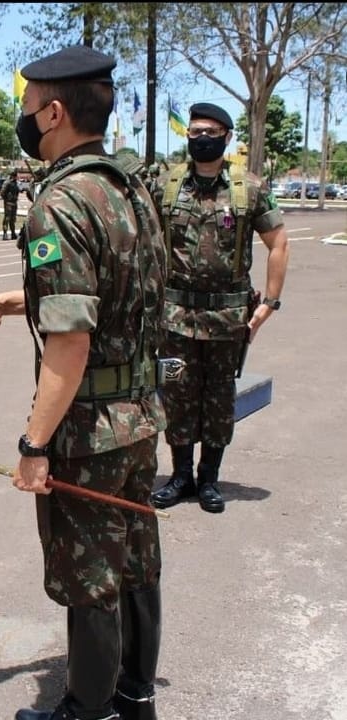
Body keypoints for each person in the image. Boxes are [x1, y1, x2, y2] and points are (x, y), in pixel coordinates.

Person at [0, 45, 168, 720]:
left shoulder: (59, 202)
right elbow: (113, 296)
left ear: (53, 111)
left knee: (90, 572)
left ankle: (88, 709)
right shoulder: (131, 188)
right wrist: (13, 300)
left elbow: (71, 340)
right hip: (140, 412)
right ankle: (134, 693)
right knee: (136, 554)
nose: (25, 121)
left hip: (88, 427)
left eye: (28, 109)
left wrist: (33, 446)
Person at [149, 102, 289, 515]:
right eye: (194, 132)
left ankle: (208, 480)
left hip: (228, 321)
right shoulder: (167, 185)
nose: (201, 138)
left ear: (227, 138)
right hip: (174, 318)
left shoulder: (249, 189)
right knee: (175, 395)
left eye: (210, 131)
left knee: (218, 399)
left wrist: (270, 304)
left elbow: (278, 243)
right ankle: (180, 477)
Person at [0, 169, 21, 241]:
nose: (16, 177)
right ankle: (5, 234)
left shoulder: (15, 183)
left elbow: (17, 191)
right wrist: (7, 199)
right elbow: (2, 193)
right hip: (8, 203)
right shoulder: (7, 183)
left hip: (14, 203)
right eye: (15, 176)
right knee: (7, 219)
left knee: (13, 219)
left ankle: (13, 233)